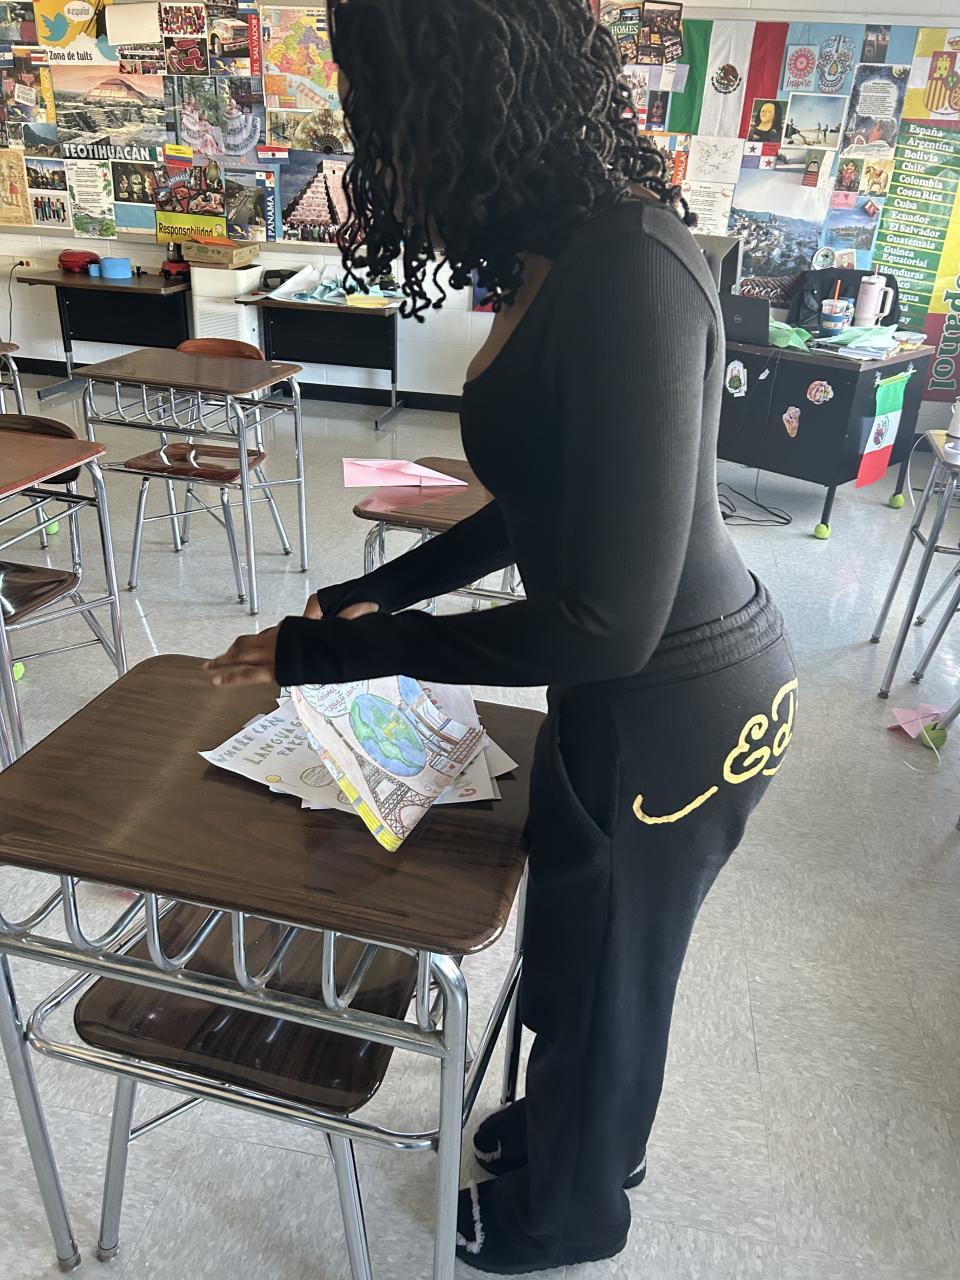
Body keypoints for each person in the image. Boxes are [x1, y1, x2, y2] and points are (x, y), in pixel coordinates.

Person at [205, 0, 796, 1272]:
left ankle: (570, 1213)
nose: (380, 146)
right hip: (633, 687)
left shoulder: (629, 268)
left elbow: (605, 620)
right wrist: (387, 592)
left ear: (460, 90)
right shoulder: (560, 252)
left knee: (615, 976)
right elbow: (545, 499)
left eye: (385, 109)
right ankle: (576, 1135)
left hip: (675, 700)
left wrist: (343, 652)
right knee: (581, 955)